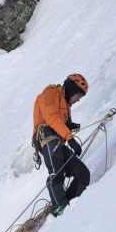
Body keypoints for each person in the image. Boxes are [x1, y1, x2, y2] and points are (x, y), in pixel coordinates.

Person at [32, 74, 90, 217]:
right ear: (71, 89)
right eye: (78, 95)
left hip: (57, 141)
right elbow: (51, 117)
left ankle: (69, 205)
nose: (78, 99)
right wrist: (70, 139)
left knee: (83, 174)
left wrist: (69, 125)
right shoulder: (50, 93)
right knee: (56, 174)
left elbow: (60, 121)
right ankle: (60, 208)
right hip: (46, 139)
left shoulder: (66, 105)